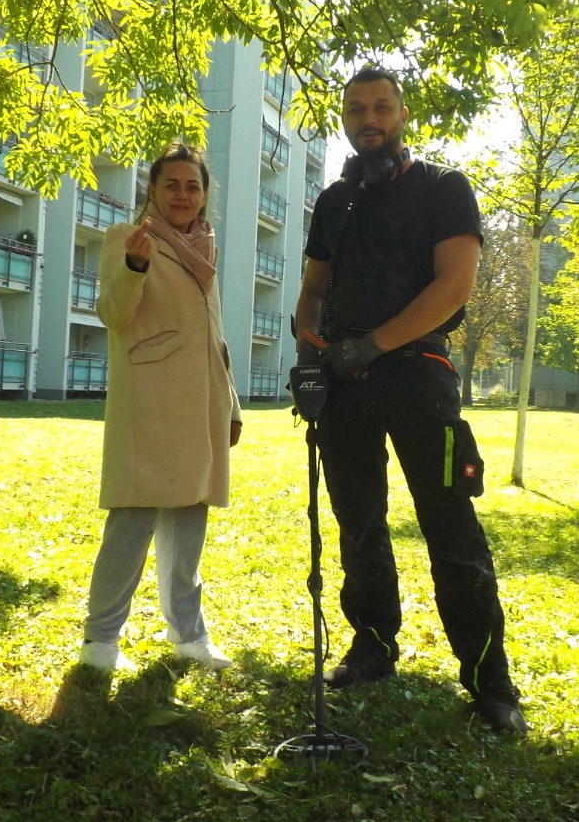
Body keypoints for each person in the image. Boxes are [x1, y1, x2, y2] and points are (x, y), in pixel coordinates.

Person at [294, 67, 526, 732]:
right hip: (343, 383)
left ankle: (490, 682)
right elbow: (313, 290)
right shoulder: (335, 202)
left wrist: (373, 344)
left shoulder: (443, 189)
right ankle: (372, 646)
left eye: (381, 107)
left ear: (401, 115)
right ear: (345, 119)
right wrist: (310, 356)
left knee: (450, 525)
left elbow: (453, 288)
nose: (368, 118)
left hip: (419, 376)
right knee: (358, 522)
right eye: (356, 109)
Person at [80, 143, 243, 674]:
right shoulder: (127, 239)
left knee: (190, 520)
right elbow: (112, 313)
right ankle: (100, 640)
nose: (182, 195)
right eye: (171, 184)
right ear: (152, 190)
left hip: (203, 404)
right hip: (151, 403)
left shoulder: (205, 246)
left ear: (205, 195)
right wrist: (134, 266)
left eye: (192, 186)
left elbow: (214, 335)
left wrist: (231, 403)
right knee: (132, 522)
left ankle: (189, 635)